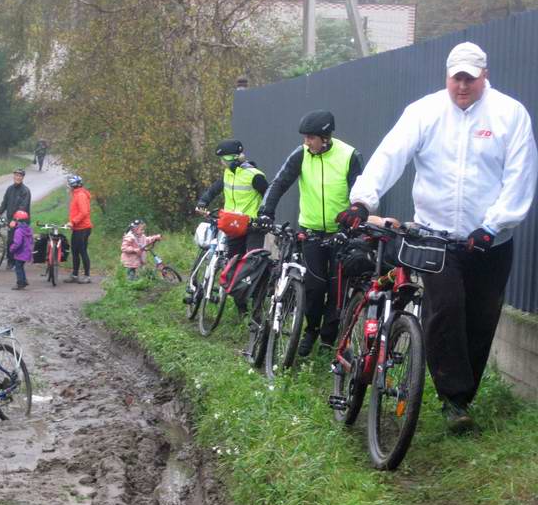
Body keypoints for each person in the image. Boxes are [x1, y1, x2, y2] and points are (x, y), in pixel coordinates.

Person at [339, 41, 538, 432]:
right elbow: (389, 154)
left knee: (481, 319)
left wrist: (493, 225)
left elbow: (520, 175)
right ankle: (453, 397)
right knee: (445, 307)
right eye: (456, 78)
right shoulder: (424, 112)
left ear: (485, 77)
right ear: (447, 76)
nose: (462, 86)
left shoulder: (509, 115)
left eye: (470, 78)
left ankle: (461, 398)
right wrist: (363, 200)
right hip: (436, 237)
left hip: (489, 241)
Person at [258, 110, 363, 357]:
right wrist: (266, 211)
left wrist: (350, 227)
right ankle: (311, 330)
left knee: (338, 291)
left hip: (341, 233)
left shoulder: (349, 156)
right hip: (312, 231)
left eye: (311, 138)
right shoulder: (301, 154)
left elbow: (360, 195)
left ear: (325, 137)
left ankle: (328, 339)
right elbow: (279, 182)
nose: (306, 142)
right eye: (305, 138)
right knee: (315, 287)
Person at [196, 139, 268, 314]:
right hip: (233, 226)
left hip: (253, 227)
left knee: (253, 264)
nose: (221, 163)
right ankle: (241, 309)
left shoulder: (255, 175)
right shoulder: (228, 173)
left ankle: (258, 307)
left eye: (223, 159)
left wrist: (264, 215)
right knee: (234, 263)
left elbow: (269, 194)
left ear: (232, 159)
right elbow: (215, 189)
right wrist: (203, 201)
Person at [0, 168, 31, 269]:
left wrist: (15, 220)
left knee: (19, 242)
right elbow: (4, 203)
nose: (17, 177)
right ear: (13, 176)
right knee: (10, 241)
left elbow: (23, 207)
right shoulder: (9, 189)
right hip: (10, 220)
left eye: (20, 176)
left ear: (22, 177)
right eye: (16, 175)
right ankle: (10, 261)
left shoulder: (25, 191)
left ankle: (19, 263)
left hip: (21, 221)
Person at [64, 175, 92, 284]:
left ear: (73, 186)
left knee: (82, 251)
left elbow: (84, 212)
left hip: (83, 228)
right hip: (77, 228)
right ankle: (75, 275)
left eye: (69, 185)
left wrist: (73, 222)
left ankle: (87, 276)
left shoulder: (80, 195)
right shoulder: (76, 194)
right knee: (75, 251)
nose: (68, 187)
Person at [9, 210, 34, 290]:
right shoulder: (28, 229)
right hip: (27, 252)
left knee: (18, 268)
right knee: (21, 267)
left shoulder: (18, 231)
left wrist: (11, 249)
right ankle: (24, 280)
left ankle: (20, 283)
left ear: (17, 220)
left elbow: (17, 243)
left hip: (20, 253)